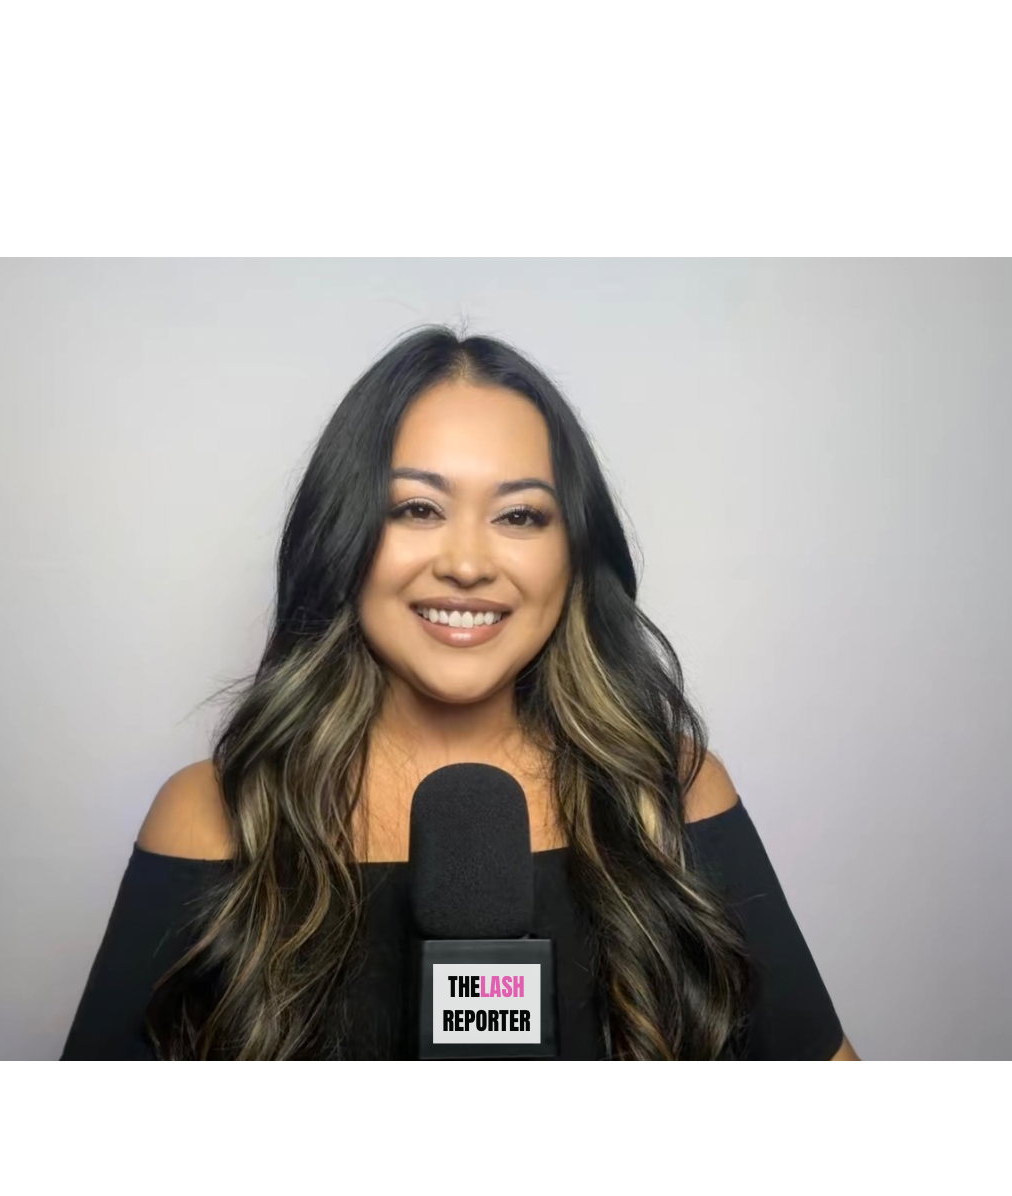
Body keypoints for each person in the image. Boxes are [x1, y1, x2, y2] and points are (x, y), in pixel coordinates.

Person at [62, 326, 860, 1061]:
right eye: (418, 508)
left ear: (573, 554)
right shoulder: (214, 817)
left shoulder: (670, 798)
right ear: (342, 537)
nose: (469, 565)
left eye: (520, 516)